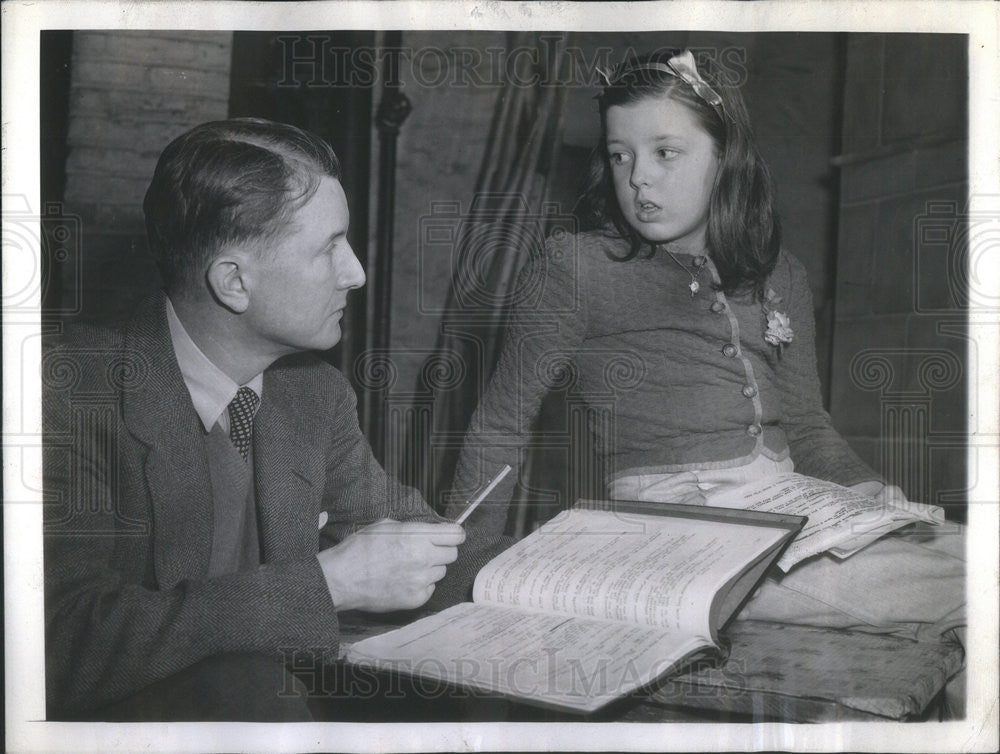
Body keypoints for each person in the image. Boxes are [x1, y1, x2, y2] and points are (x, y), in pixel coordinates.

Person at [449, 50, 964, 671]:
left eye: (666, 152)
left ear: (725, 157)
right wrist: (467, 575)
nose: (639, 177)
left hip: (793, 509)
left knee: (964, 563)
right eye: (620, 155)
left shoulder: (781, 274)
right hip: (674, 536)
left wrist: (868, 494)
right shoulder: (574, 269)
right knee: (968, 588)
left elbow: (807, 427)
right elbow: (499, 425)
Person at [43, 118, 501, 721]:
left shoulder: (312, 394)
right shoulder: (63, 394)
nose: (356, 272)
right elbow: (58, 645)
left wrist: (565, 579)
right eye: (328, 247)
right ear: (234, 281)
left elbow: (415, 535)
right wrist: (330, 584)